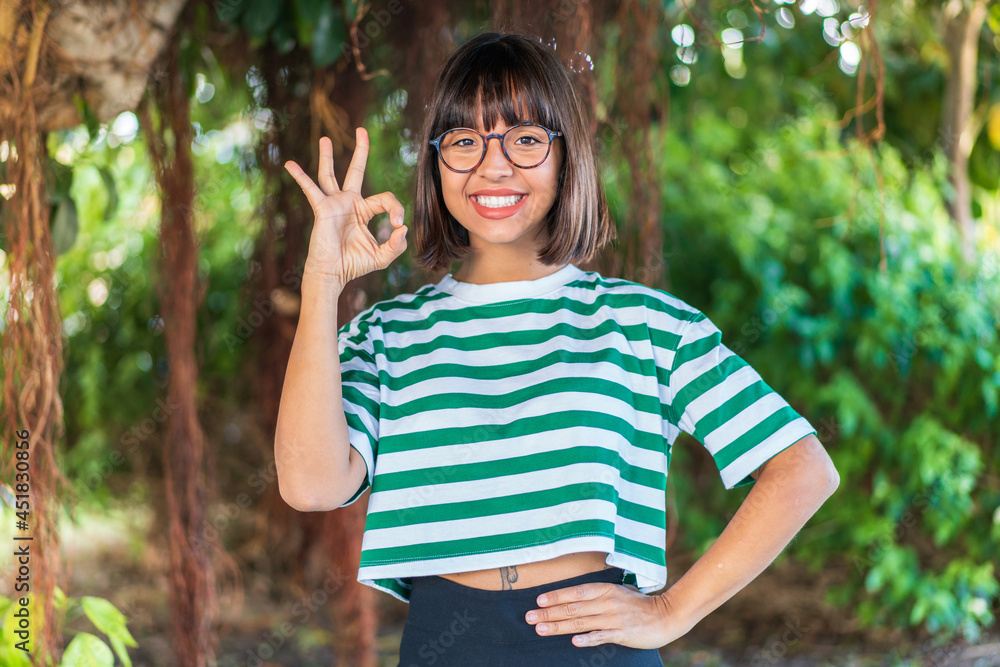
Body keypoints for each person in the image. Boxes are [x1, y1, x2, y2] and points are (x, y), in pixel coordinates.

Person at [276, 31, 840, 666]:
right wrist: (323, 280)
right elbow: (310, 485)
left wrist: (671, 610)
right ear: (436, 163)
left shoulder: (644, 323)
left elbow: (803, 469)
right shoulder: (386, 336)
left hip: (595, 650)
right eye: (465, 142)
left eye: (524, 139)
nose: (494, 166)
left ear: (565, 156)